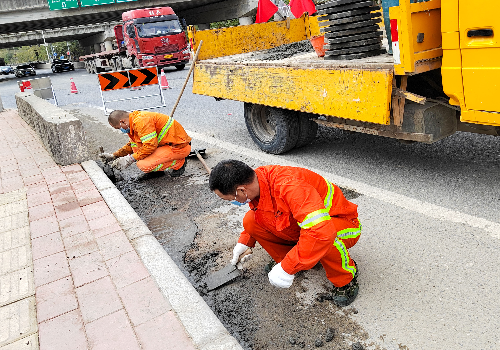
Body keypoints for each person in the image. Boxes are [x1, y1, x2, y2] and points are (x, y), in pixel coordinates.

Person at [209, 160, 362, 307]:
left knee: (327, 235)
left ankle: (345, 278)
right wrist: (245, 242)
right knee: (250, 221)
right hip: (304, 225)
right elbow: (263, 212)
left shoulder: (290, 186)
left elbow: (320, 232)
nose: (231, 202)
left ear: (242, 190)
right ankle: (294, 261)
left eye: (230, 199)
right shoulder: (258, 182)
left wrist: (287, 267)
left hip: (342, 224)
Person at [100, 110, 191, 177]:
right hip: (166, 145)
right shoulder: (133, 123)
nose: (120, 130)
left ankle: (179, 163)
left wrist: (130, 159)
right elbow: (132, 146)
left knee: (143, 165)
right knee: (137, 148)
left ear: (122, 121)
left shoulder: (141, 121)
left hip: (179, 147)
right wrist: (114, 155)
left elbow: (150, 146)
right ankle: (158, 169)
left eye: (118, 128)